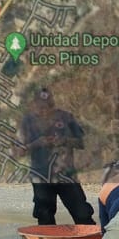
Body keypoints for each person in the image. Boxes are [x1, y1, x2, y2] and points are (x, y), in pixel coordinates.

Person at [18, 87, 94, 226]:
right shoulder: (27, 122)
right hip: (41, 176)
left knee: (82, 214)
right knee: (45, 216)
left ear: (53, 102)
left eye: (49, 105)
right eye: (41, 106)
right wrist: (37, 143)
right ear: (34, 104)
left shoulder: (66, 117)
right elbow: (19, 151)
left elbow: (81, 143)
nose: (45, 110)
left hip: (66, 175)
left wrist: (64, 140)